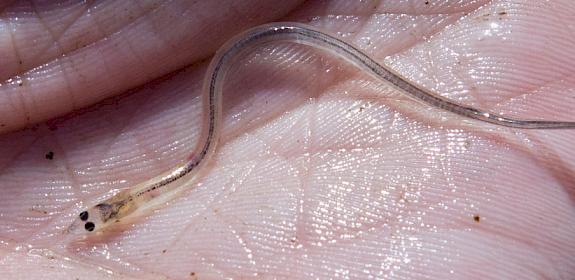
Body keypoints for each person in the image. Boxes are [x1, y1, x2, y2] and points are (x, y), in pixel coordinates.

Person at [0, 1, 573, 279]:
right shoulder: (174, 176)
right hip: (254, 55)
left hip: (275, 38)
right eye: (98, 219)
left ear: (123, 207)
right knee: (194, 162)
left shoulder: (172, 175)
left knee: (198, 159)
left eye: (95, 217)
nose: (95, 218)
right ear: (126, 209)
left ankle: (509, 121)